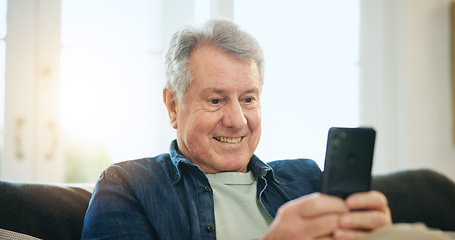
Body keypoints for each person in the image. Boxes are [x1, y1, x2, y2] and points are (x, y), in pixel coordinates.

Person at [81, 18, 392, 240]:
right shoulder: (127, 187)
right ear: (173, 105)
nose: (238, 120)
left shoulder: (309, 179)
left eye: (248, 99)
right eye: (216, 100)